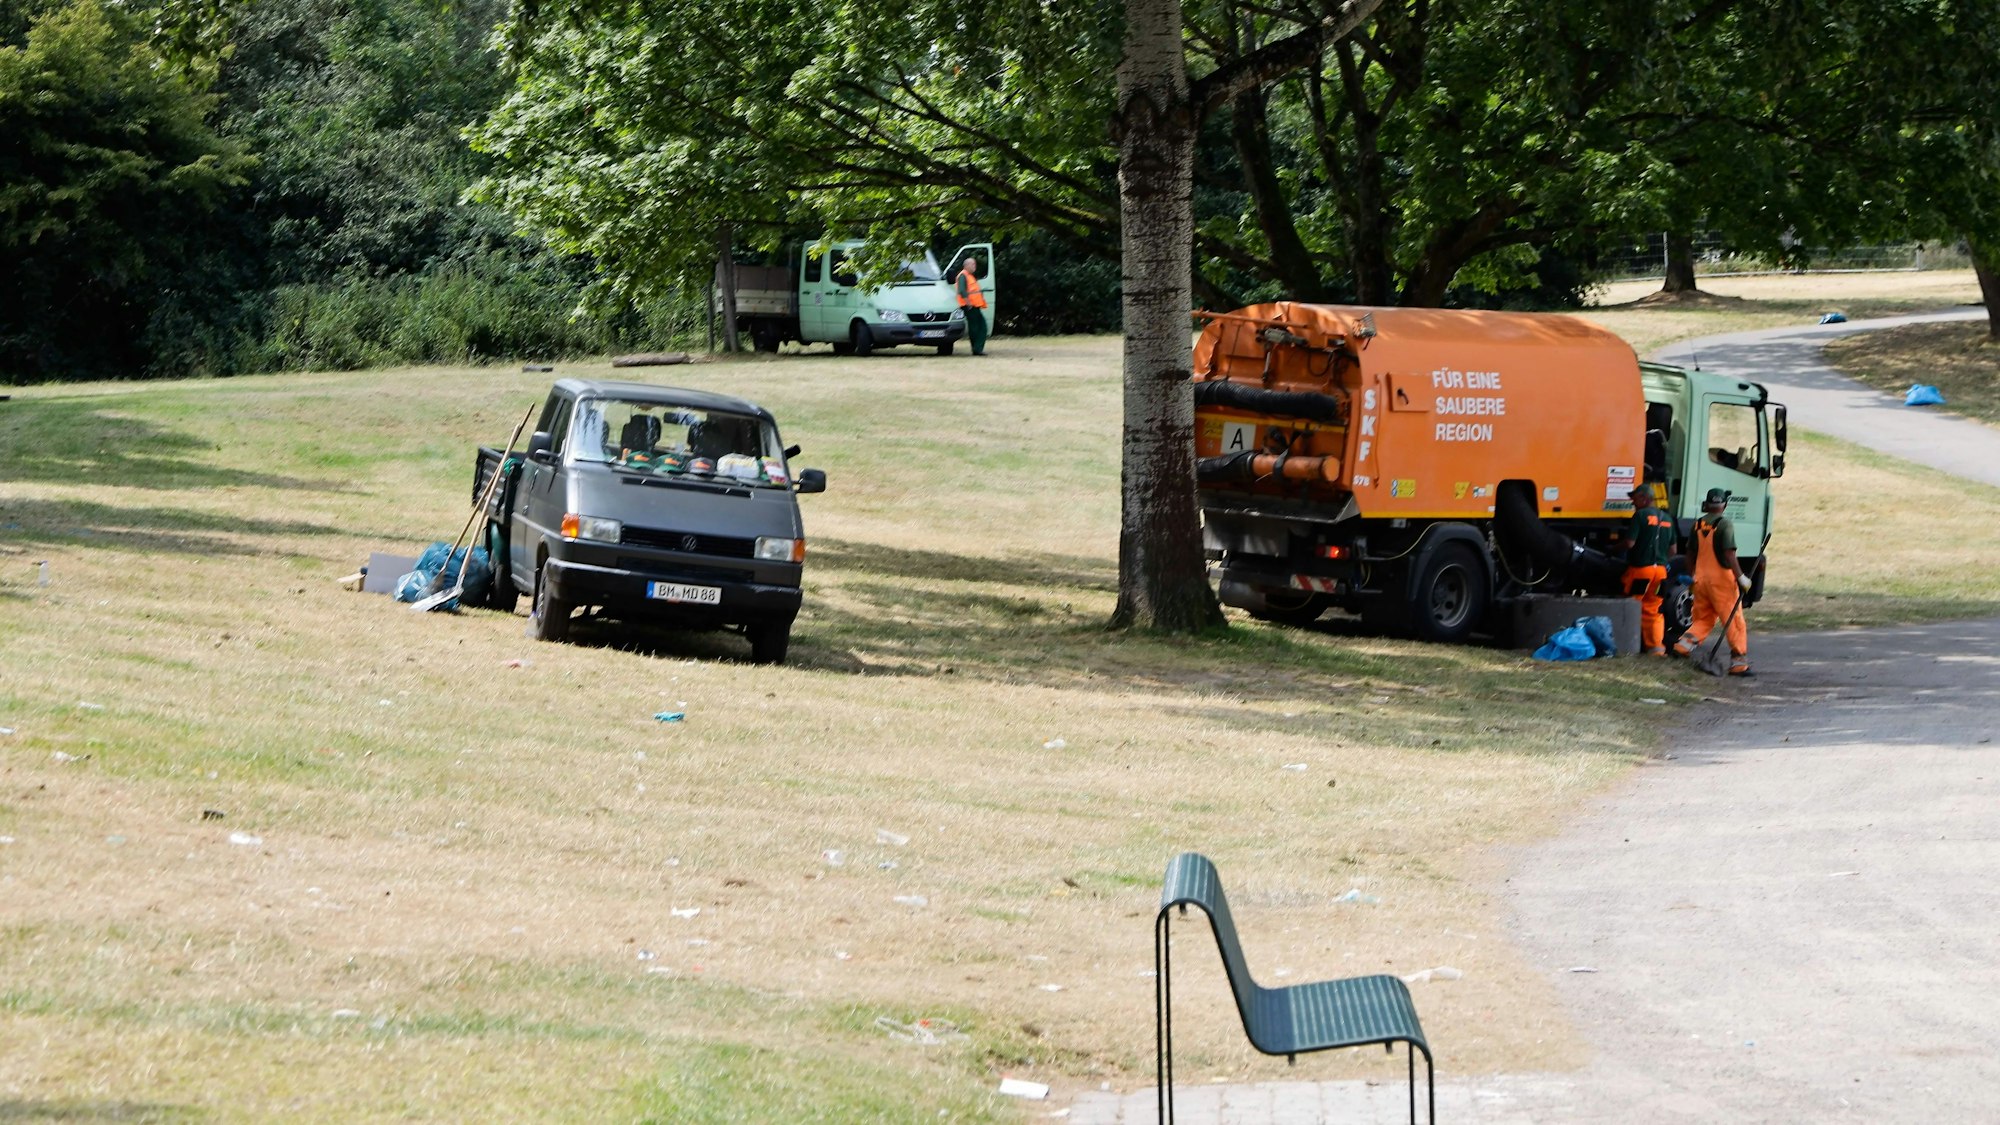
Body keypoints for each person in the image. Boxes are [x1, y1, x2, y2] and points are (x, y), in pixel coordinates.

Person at [1672, 487, 1753, 675]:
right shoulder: (1725, 524)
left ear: (1707, 504)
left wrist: (1693, 575)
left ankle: (1683, 646)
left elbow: (1689, 553)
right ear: (1724, 505)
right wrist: (1741, 577)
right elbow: (1729, 553)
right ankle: (1739, 664)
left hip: (1701, 580)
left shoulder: (1698, 525)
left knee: (1704, 618)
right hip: (1721, 582)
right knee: (1733, 620)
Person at [1617, 484, 1674, 655]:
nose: (1632, 501)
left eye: (1634, 498)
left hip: (1642, 571)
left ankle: (1626, 645)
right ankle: (1656, 648)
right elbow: (1673, 551)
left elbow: (1629, 543)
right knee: (1653, 608)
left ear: (1644, 498)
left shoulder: (1640, 515)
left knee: (1632, 604)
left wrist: (1612, 548)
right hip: (1660, 573)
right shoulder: (1668, 518)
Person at [954, 257, 988, 355]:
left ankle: (977, 349)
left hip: (974, 306)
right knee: (977, 327)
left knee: (980, 326)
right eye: (973, 264)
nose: (975, 266)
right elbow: (962, 290)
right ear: (966, 265)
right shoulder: (963, 275)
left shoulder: (969, 276)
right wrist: (968, 303)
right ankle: (977, 349)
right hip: (970, 306)